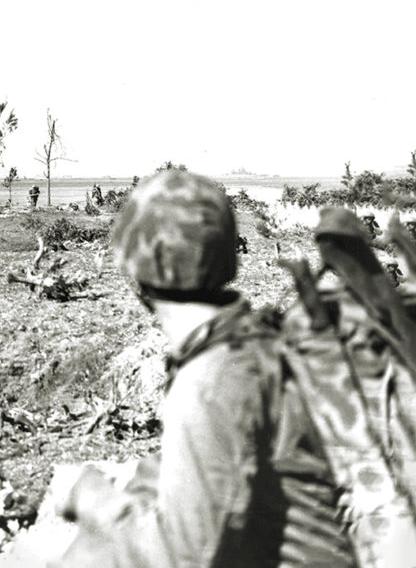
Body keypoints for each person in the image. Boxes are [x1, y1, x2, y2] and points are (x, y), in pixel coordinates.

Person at [54, 169, 360, 567]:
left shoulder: (210, 378)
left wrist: (86, 493)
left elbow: (179, 558)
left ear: (135, 271)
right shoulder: (252, 340)